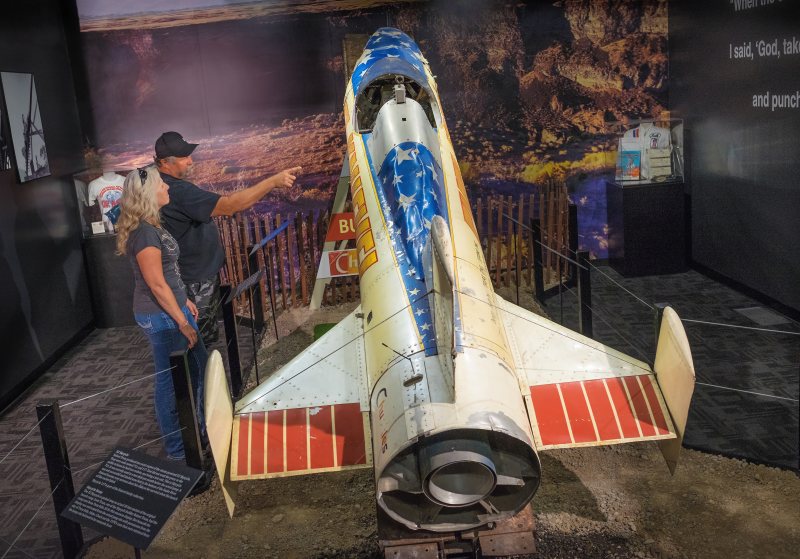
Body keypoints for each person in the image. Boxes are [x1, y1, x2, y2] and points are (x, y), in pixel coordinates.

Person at [153, 131, 301, 346]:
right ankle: (201, 375)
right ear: (165, 162)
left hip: (187, 274)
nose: (190, 162)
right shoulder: (179, 191)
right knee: (200, 339)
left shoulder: (151, 181)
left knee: (194, 337)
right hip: (195, 279)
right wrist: (272, 182)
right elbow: (232, 205)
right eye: (184, 158)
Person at [116, 166, 207, 461]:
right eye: (161, 184)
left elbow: (169, 275)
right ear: (148, 193)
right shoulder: (143, 233)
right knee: (170, 382)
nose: (167, 187)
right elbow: (155, 284)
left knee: (197, 368)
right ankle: (178, 451)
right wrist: (182, 320)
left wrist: (184, 301)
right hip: (162, 317)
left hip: (173, 310)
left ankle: (199, 432)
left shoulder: (151, 226)